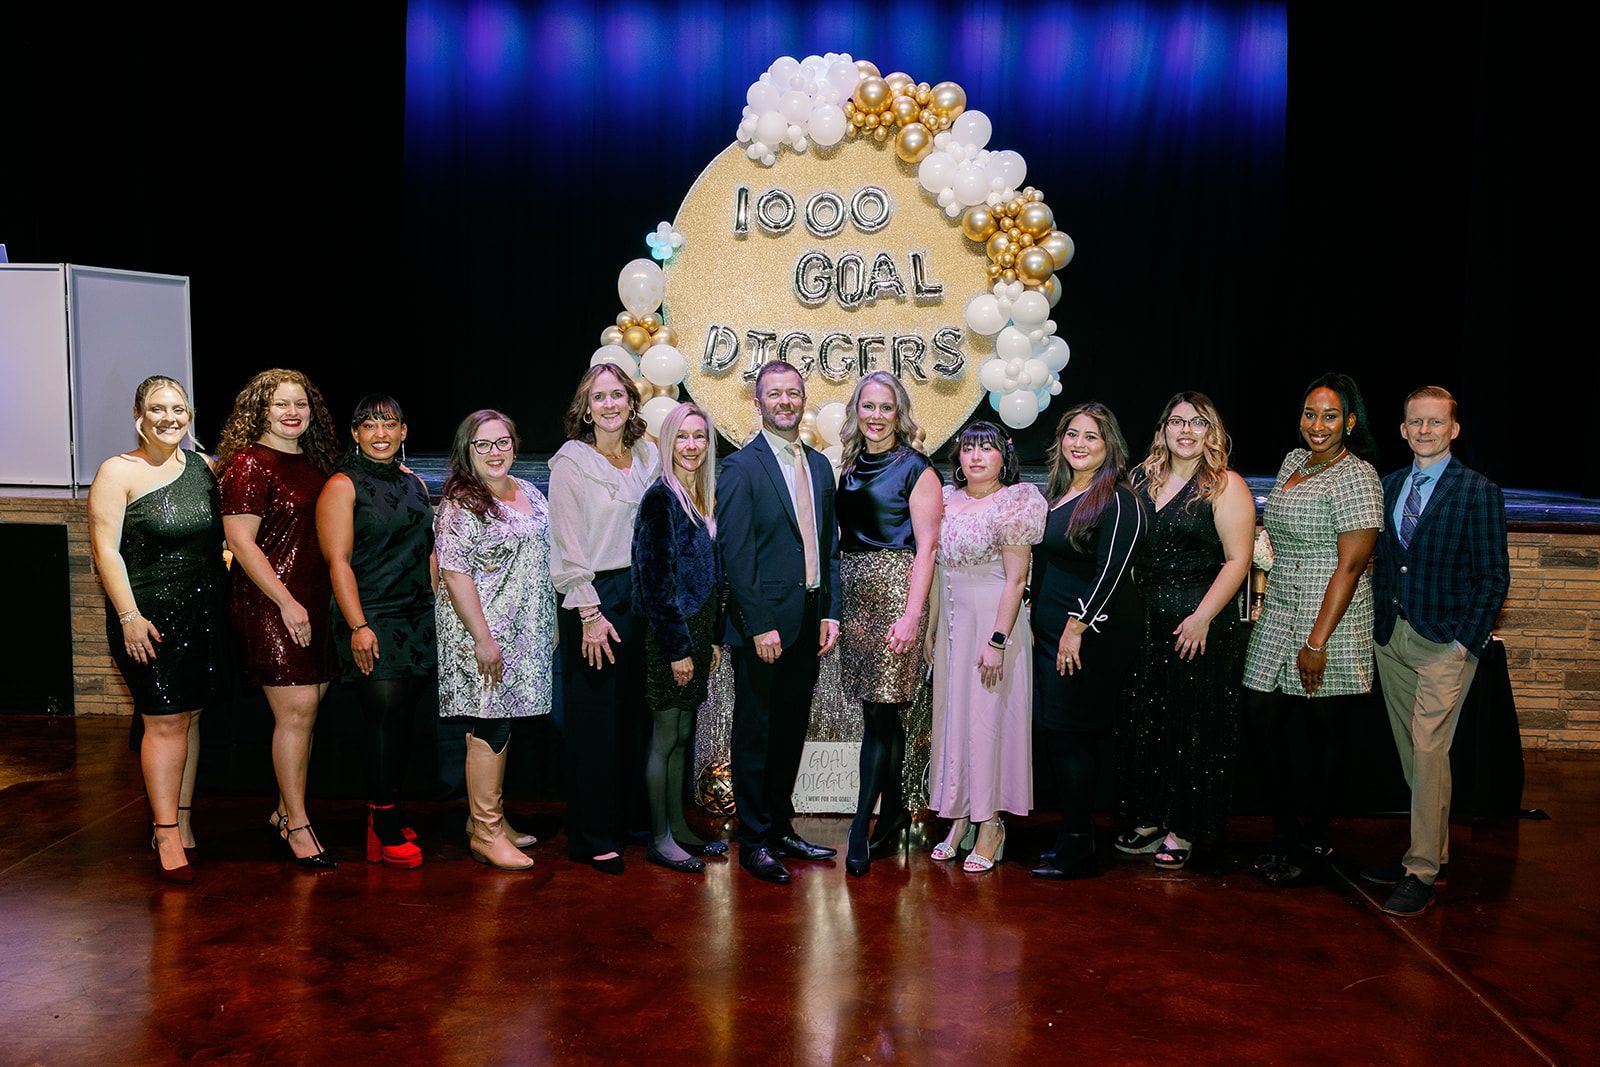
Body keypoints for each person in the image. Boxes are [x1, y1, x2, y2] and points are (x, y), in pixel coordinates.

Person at [1361, 386, 1509, 916]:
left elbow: (1494, 577)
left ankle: (1420, 869)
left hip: (1445, 642)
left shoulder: (1477, 491)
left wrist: (1464, 642)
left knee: (1427, 748)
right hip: (1392, 638)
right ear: (1402, 429)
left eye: (1435, 422)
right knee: (1413, 752)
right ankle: (1435, 853)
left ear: (1454, 429)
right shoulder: (1391, 484)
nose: (1424, 430)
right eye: (1415, 422)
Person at [1242, 372, 1384, 887]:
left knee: (1327, 728)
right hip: (1281, 602)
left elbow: (1351, 565)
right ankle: (1284, 832)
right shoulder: (1291, 463)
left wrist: (1316, 642)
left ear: (1350, 421)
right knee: (1259, 712)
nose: (1317, 425)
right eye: (1309, 413)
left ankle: (1315, 837)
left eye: (1329, 416)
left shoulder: (1358, 476)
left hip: (1333, 612)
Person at [88, 376, 229, 884]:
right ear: (139, 417)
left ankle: (183, 820)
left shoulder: (202, 467)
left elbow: (225, 532)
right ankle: (165, 829)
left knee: (189, 717)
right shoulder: (116, 472)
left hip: (204, 612)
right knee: (165, 720)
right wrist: (128, 617)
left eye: (179, 409)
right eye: (158, 409)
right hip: (147, 618)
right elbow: (106, 552)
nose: (170, 418)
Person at [717, 360, 842, 885]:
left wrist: (831, 609)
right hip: (765, 626)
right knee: (756, 732)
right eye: (775, 394)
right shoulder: (740, 469)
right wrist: (758, 624)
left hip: (810, 618)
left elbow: (829, 544)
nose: (786, 402)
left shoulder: (818, 465)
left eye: (793, 393)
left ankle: (782, 826)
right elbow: (736, 554)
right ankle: (753, 839)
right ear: (758, 403)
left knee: (791, 730)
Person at [1118, 393, 1254, 870]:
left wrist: (1202, 617)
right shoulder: (1140, 478)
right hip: (1146, 618)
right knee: (1148, 721)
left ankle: (1185, 826)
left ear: (1211, 432)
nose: (1186, 431)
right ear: (1163, 429)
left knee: (1191, 725)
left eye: (1198, 423)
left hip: (1198, 620)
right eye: (1177, 421)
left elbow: (1238, 560)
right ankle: (1152, 816)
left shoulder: (1223, 484)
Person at [217, 369, 339, 869]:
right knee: (297, 713)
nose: (292, 413)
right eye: (280, 405)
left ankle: (285, 811)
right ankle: (298, 822)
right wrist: (286, 603)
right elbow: (240, 542)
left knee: (306, 717)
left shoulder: (313, 463)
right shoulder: (249, 464)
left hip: (313, 603)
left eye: (301, 405)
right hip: (272, 603)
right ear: (260, 411)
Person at [316, 395, 438, 870]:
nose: (380, 433)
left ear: (404, 432)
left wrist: (435, 611)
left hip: (416, 616)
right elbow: (337, 562)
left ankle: (388, 806)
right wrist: (358, 625)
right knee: (384, 716)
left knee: (404, 718)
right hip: (371, 614)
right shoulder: (343, 485)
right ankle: (383, 821)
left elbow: (426, 552)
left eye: (389, 424)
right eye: (369, 425)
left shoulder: (415, 485)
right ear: (356, 434)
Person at [548, 363, 659, 875]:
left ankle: (630, 819)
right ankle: (592, 834)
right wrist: (590, 613)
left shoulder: (647, 454)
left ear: (632, 403)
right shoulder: (571, 462)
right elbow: (567, 544)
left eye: (618, 395)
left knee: (635, 713)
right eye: (599, 397)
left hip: (642, 591)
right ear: (585, 407)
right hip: (595, 596)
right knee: (595, 719)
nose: (610, 404)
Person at [434, 409, 556, 872]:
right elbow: (454, 572)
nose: (494, 452)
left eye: (502, 441)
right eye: (482, 444)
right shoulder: (461, 503)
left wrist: (552, 627)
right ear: (467, 451)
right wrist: (483, 639)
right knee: (489, 723)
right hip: (481, 631)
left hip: (526, 630)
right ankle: (485, 833)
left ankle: (489, 819)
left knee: (503, 723)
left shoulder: (527, 490)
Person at [1028, 403, 1146, 880]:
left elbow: (1113, 570)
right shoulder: (1058, 493)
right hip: (1054, 630)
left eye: (1091, 437)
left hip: (1086, 634)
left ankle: (1079, 844)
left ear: (1109, 446)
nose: (1079, 444)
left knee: (1070, 733)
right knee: (1060, 735)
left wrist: (1077, 627)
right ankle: (1074, 833)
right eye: (1072, 434)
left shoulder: (1117, 499)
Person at [835, 372, 943, 877]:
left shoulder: (916, 469)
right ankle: (895, 811)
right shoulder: (850, 465)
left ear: (899, 414)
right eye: (868, 407)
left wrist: (912, 616)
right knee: (879, 716)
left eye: (886, 408)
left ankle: (862, 824)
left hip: (898, 592)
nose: (876, 417)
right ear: (857, 411)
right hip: (857, 596)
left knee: (881, 714)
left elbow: (927, 548)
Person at [927, 422, 1046, 874]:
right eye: (969, 449)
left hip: (995, 627)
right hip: (954, 628)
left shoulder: (1015, 502)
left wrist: (997, 640)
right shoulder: (946, 500)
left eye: (987, 449)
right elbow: (939, 574)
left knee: (988, 722)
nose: (976, 457)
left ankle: (991, 822)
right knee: (955, 720)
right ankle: (959, 816)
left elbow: (1017, 579)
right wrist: (931, 632)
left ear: (1004, 457)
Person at [631, 402, 725, 875]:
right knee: (665, 736)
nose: (691, 446)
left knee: (685, 733)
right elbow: (656, 583)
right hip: (670, 636)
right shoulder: (660, 499)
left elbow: (712, 573)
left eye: (700, 437)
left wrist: (708, 637)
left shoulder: (703, 495)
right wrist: (677, 649)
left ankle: (680, 827)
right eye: (683, 438)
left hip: (698, 631)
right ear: (668, 444)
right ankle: (660, 838)